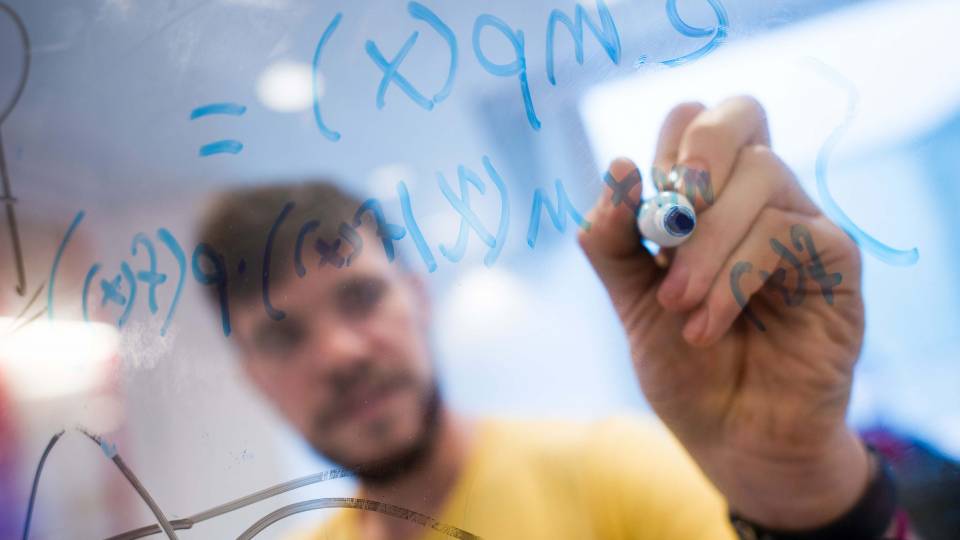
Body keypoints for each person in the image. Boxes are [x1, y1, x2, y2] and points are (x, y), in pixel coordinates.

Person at [196, 97, 911, 539]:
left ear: (417, 296)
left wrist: (807, 491)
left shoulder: (614, 478)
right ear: (254, 377)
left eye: (360, 297)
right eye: (282, 335)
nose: (341, 352)